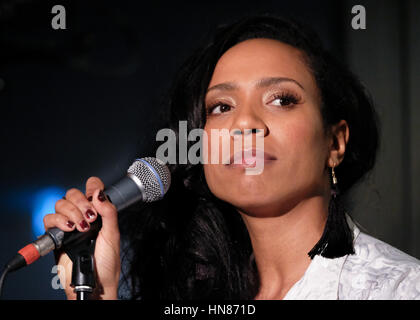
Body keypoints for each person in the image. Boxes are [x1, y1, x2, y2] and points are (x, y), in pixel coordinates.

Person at [43, 15, 420, 300]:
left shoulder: (399, 289)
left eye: (281, 99)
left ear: (335, 143)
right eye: (221, 106)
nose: (244, 123)